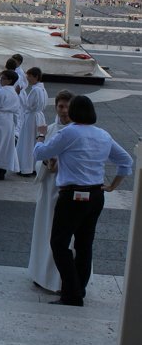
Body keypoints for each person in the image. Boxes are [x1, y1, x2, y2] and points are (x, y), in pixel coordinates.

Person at [34, 94, 133, 306]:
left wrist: (40, 137)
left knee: (59, 243)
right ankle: (80, 288)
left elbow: (40, 153)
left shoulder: (70, 133)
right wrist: (113, 185)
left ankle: (72, 291)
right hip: (96, 195)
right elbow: (125, 161)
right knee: (84, 244)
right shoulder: (103, 135)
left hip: (72, 195)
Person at [28, 90, 74, 292]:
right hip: (48, 189)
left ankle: (59, 278)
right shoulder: (52, 129)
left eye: (67, 107)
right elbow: (39, 159)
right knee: (44, 231)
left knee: (62, 237)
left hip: (65, 190)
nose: (63, 111)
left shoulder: (76, 131)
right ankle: (41, 273)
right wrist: (47, 163)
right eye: (60, 106)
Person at [17, 67, 48, 176]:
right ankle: (34, 167)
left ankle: (26, 168)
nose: (28, 79)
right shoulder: (43, 89)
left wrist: (19, 95)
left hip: (31, 117)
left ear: (35, 77)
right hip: (39, 116)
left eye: (29, 76)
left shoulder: (35, 90)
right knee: (35, 141)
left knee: (28, 142)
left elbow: (28, 105)